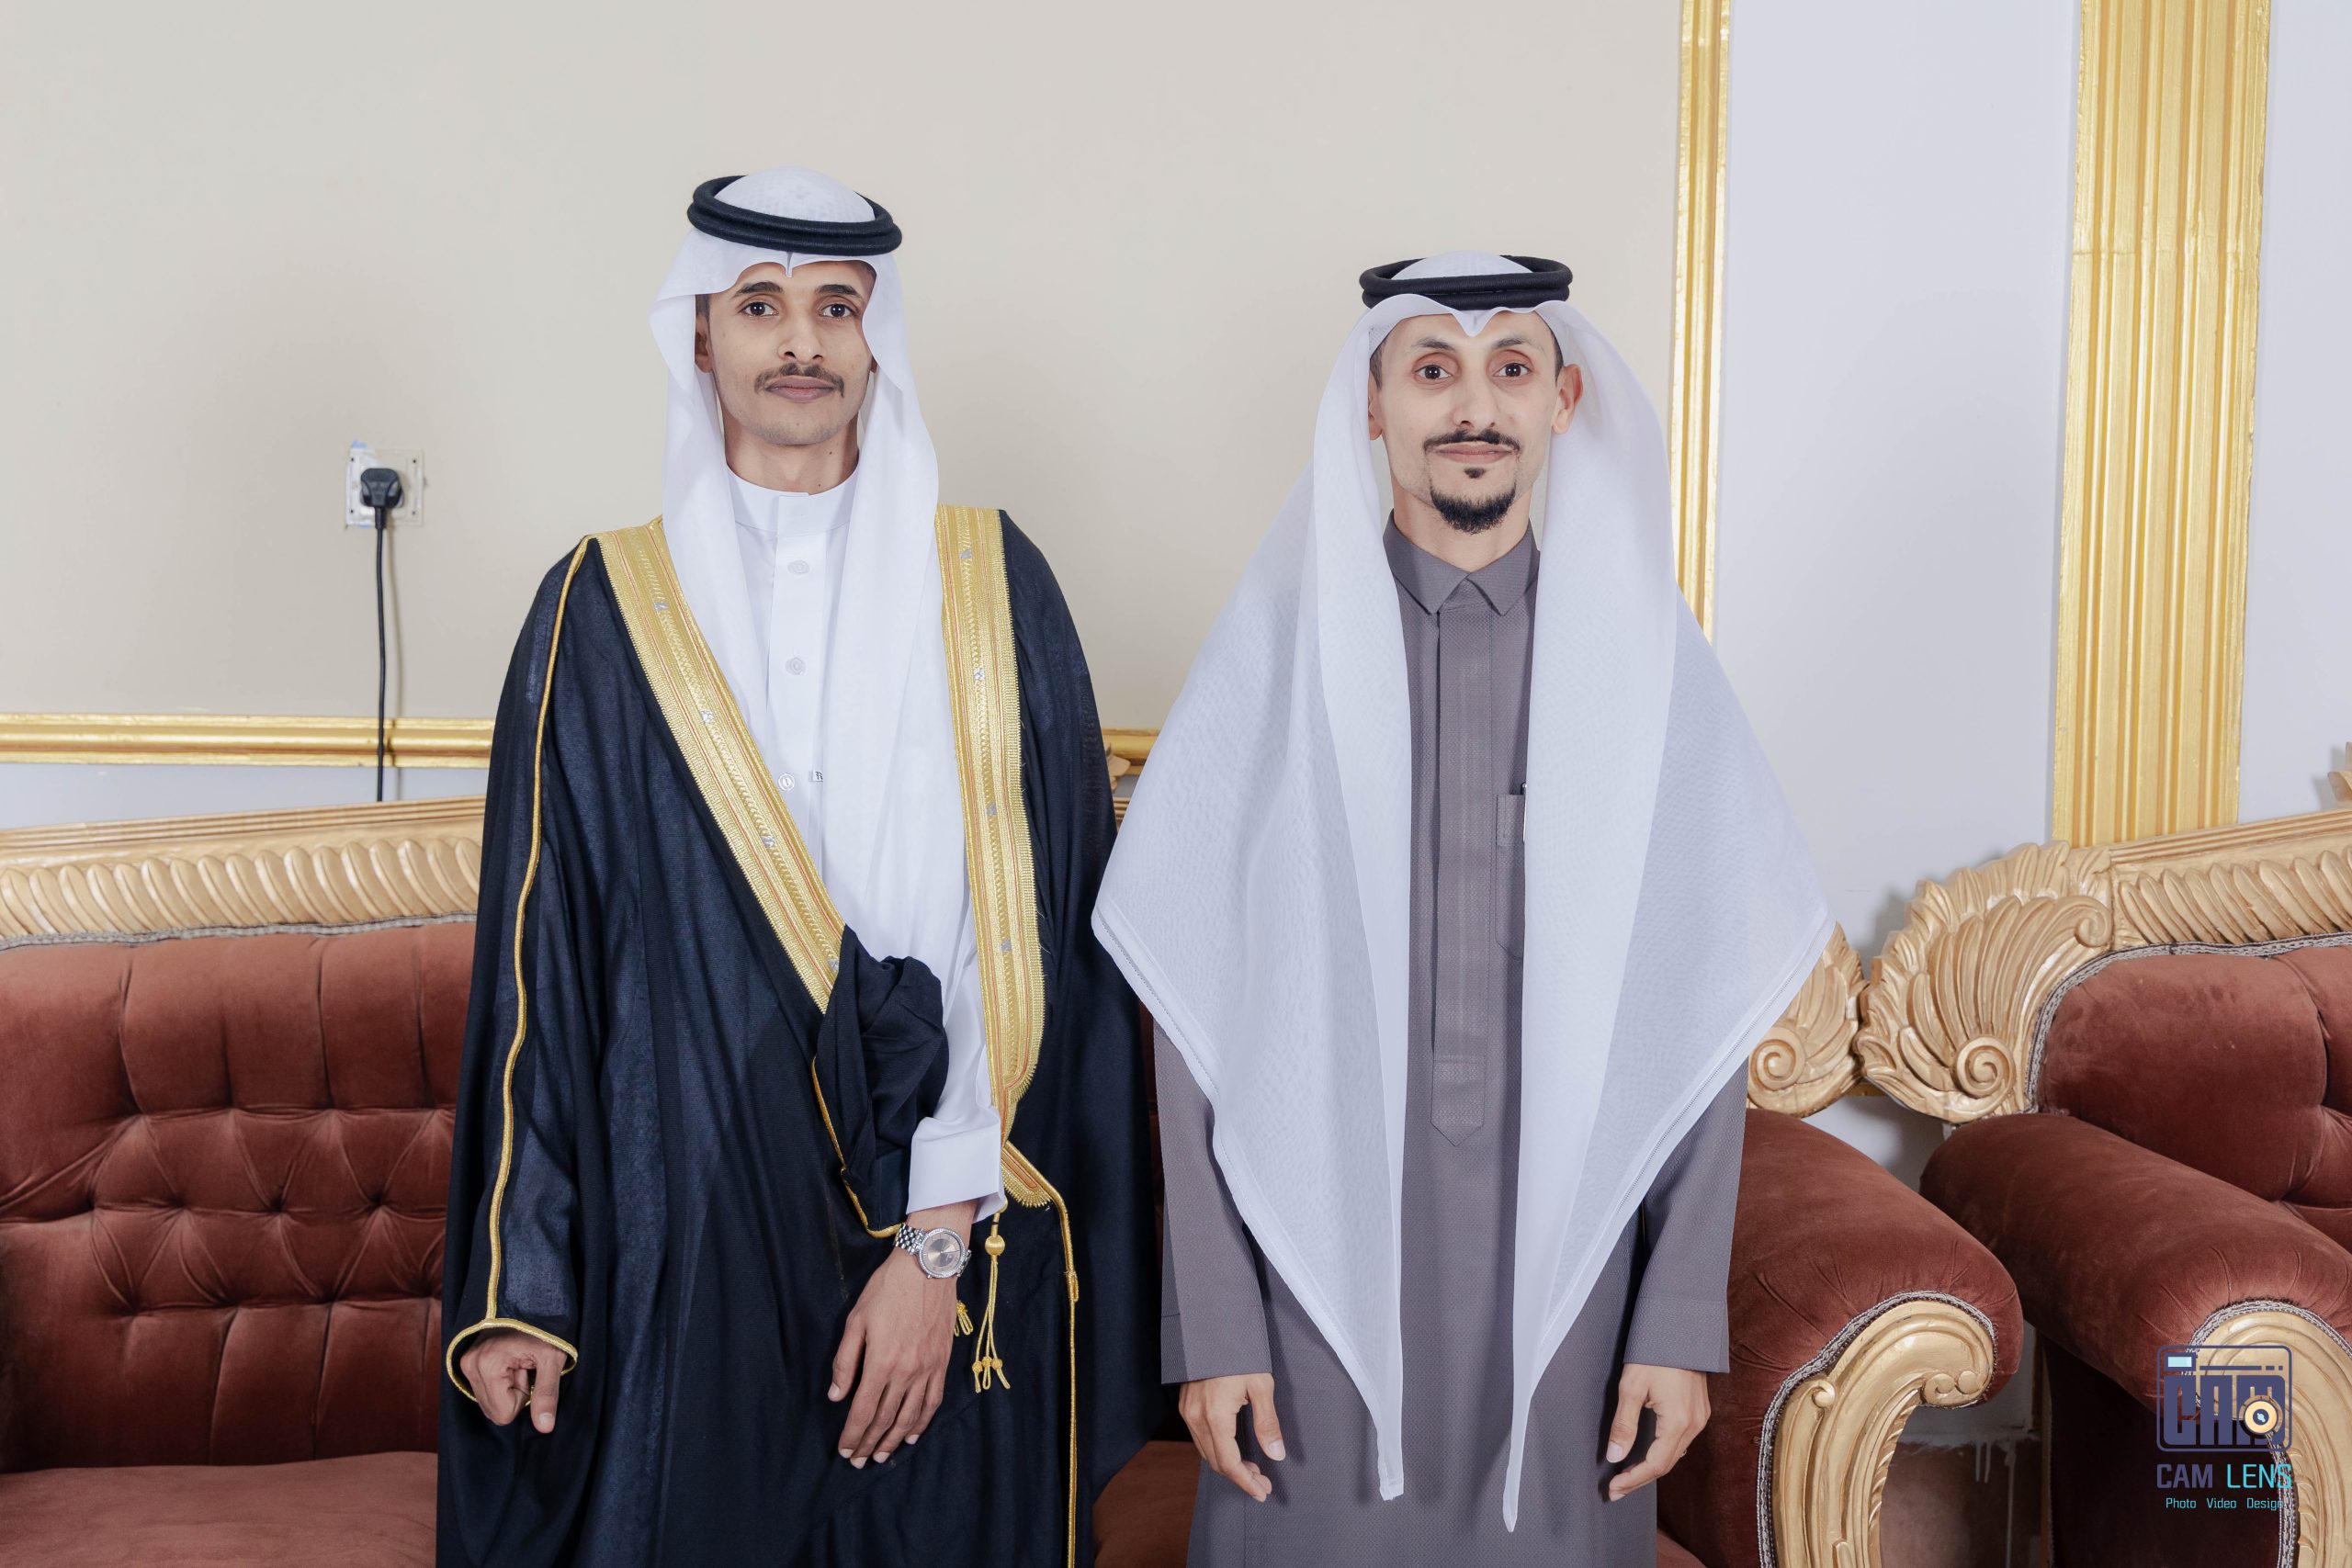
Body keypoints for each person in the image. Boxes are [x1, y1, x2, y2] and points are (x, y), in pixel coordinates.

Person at [435, 167, 1159, 1568]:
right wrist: (526, 1279)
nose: (802, 342)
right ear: (700, 336)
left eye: (838, 306)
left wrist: (934, 1252)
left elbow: (1029, 951)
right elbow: (541, 968)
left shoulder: (994, 586)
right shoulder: (601, 607)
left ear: (881, 339)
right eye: (760, 305)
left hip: (950, 1220)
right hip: (687, 1230)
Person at [1093, 253, 1833, 1563]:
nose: (1475, 406)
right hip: (1307, 1284)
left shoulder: (1647, 671)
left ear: (1566, 401)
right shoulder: (1274, 658)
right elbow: (1190, 1021)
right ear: (1373, 405)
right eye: (1433, 369)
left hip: (1569, 1299)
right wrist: (1214, 1326)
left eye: (1511, 369)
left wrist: (1674, 1322)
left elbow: (1697, 1020)